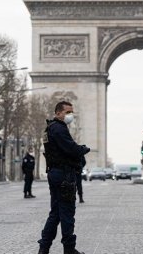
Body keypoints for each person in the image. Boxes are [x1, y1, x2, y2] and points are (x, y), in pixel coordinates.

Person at [38, 101, 90, 254]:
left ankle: (44, 247)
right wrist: (83, 149)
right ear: (58, 113)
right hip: (63, 175)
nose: (70, 115)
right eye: (67, 112)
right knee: (67, 212)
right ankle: (69, 249)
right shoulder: (59, 129)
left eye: (71, 112)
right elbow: (70, 148)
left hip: (55, 173)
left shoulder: (50, 128)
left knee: (55, 213)